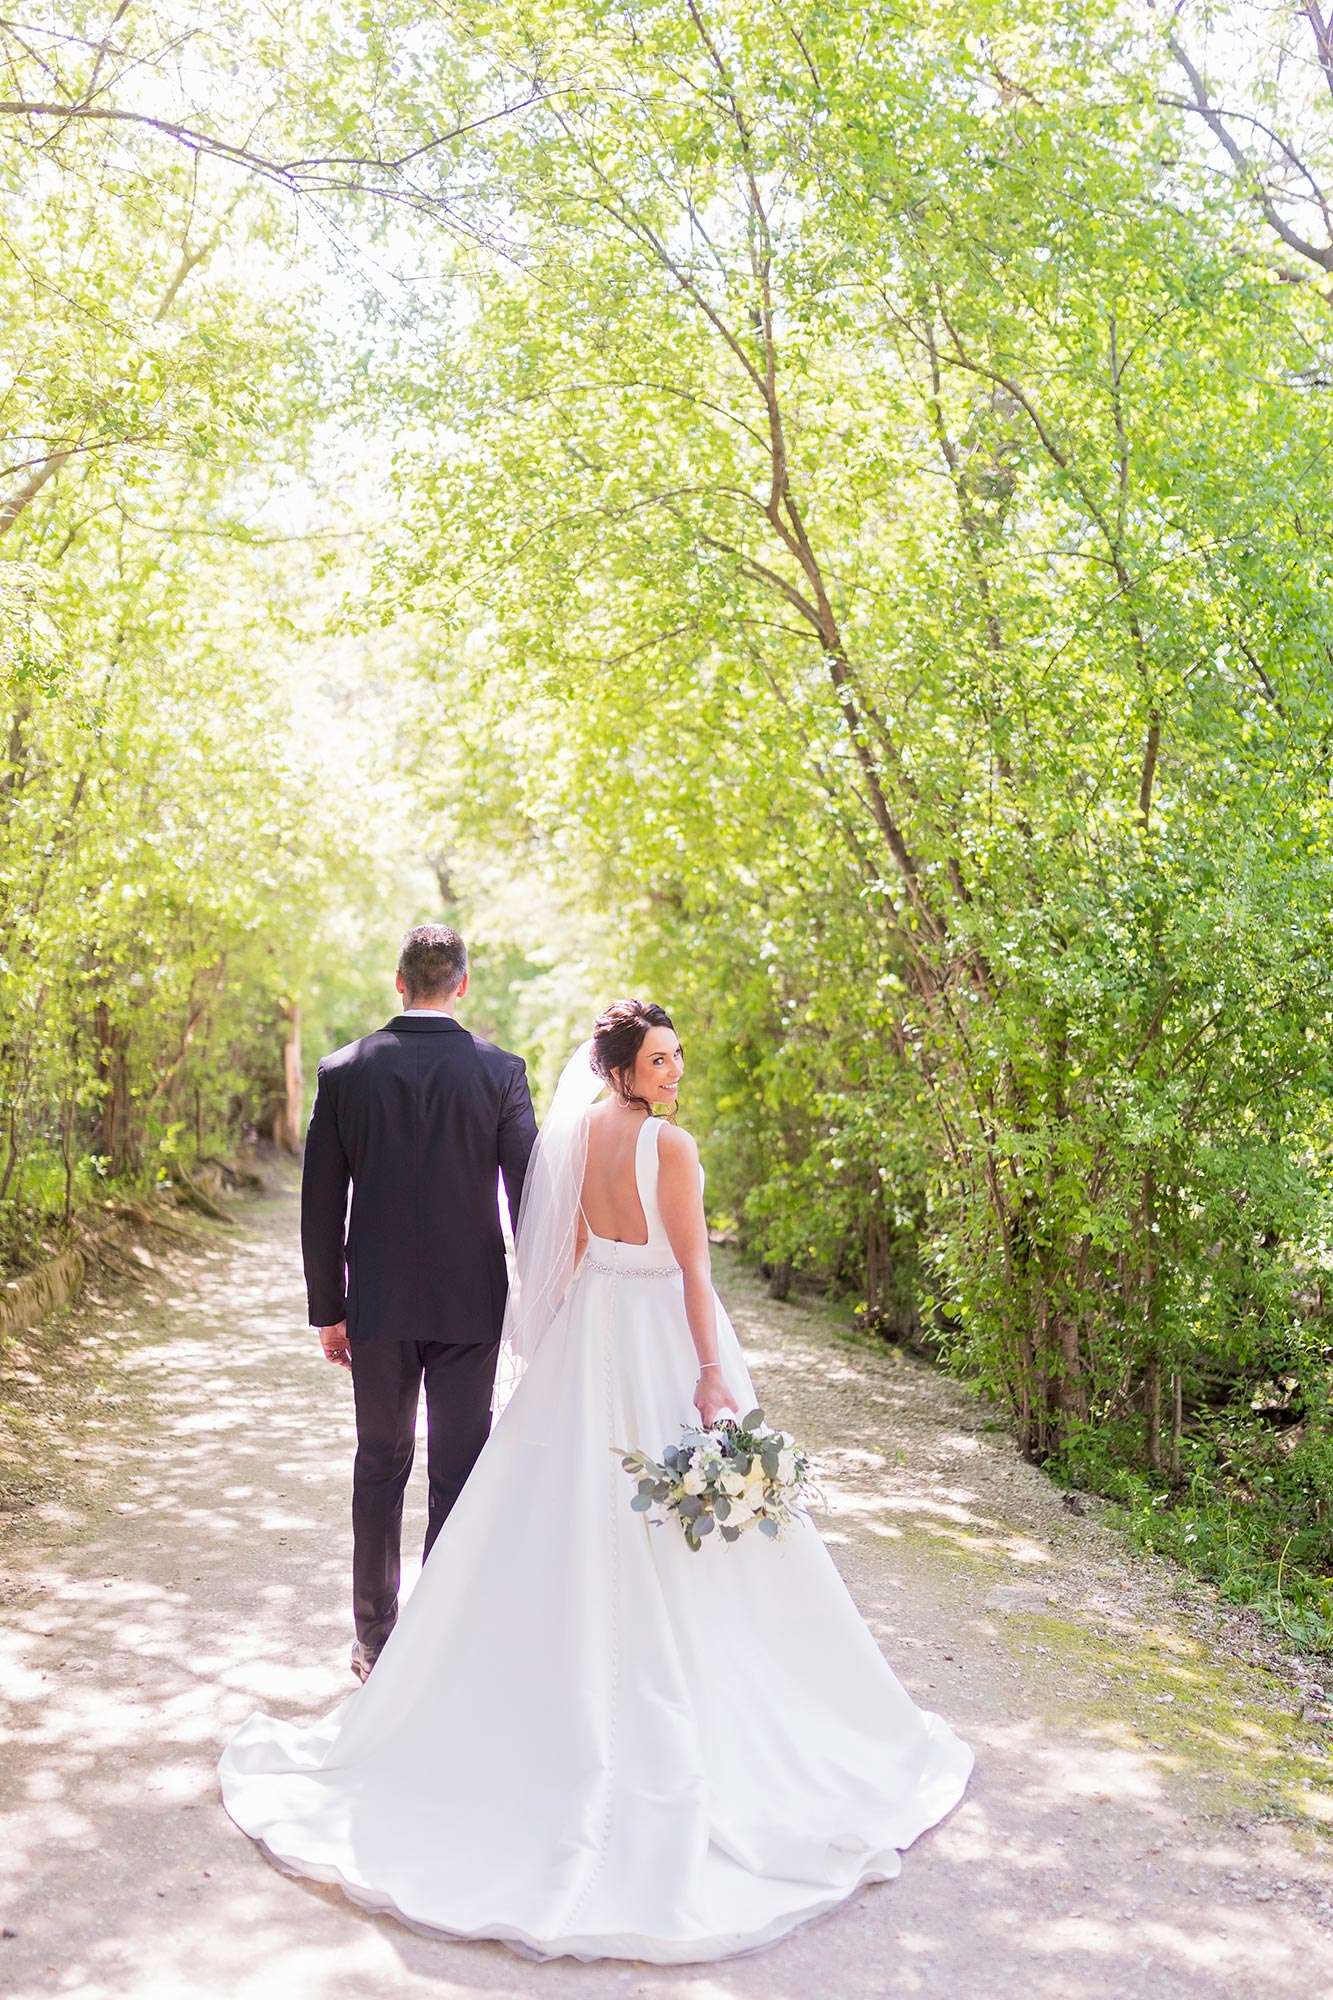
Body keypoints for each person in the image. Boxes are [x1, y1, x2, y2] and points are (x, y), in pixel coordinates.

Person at [219, 998, 973, 1963]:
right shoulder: (673, 1148)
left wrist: (556, 1349)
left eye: (676, 1058)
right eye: (658, 1060)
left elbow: (565, 1256)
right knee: (673, 1516)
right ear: (620, 1068)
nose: (673, 1072)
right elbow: (696, 1275)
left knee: (564, 1511)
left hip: (593, 1332)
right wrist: (709, 1374)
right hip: (657, 1331)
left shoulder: (574, 1139)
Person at [299, 922, 537, 1682]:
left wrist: (327, 1309)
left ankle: (375, 1640)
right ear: (461, 985)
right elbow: (531, 1198)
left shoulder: (345, 1072)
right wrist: (549, 1301)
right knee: (458, 1471)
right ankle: (441, 1638)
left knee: (379, 1463)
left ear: (399, 982)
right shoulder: (499, 1073)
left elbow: (319, 1206)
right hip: (472, 1305)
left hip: (376, 1305)